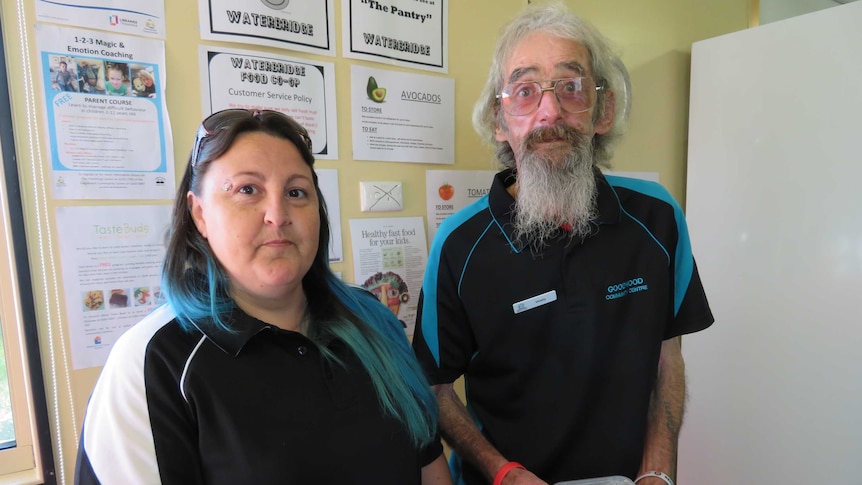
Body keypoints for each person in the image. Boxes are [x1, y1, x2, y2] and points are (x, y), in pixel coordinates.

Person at [411, 3, 714, 485]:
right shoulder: (458, 246)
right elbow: (435, 389)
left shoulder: (659, 219)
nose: (549, 111)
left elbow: (667, 358)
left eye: (571, 87)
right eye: (525, 91)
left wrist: (657, 471)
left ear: (603, 110)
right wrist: (502, 472)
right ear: (499, 119)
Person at [75, 109, 452, 484]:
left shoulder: (373, 320)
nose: (278, 214)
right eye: (247, 189)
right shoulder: (152, 362)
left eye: (295, 192)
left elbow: (428, 463)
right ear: (200, 215)